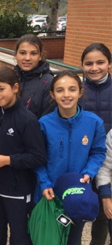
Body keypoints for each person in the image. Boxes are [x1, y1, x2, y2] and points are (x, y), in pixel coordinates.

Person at [36, 71, 106, 245]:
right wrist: (44, 183)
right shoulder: (43, 123)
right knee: (49, 237)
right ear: (52, 94)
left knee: (74, 237)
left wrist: (89, 172)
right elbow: (37, 158)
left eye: (72, 89)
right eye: (60, 90)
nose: (66, 95)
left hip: (78, 193)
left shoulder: (94, 122)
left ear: (80, 92)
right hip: (50, 192)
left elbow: (98, 152)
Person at [0, 67, 47, 245]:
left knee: (19, 236)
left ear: (15, 88)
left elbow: (38, 156)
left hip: (16, 189)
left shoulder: (27, 119)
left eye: (1, 89)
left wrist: (7, 160)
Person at [78, 43, 112, 245]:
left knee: (103, 211)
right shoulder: (76, 91)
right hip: (82, 161)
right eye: (88, 63)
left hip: (107, 162)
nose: (94, 68)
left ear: (109, 63)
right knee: (78, 207)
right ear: (82, 65)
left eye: (100, 62)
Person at [14, 34, 55, 118]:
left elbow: (48, 119)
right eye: (22, 53)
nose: (27, 58)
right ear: (16, 55)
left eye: (33, 53)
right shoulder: (11, 77)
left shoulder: (49, 83)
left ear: (40, 56)